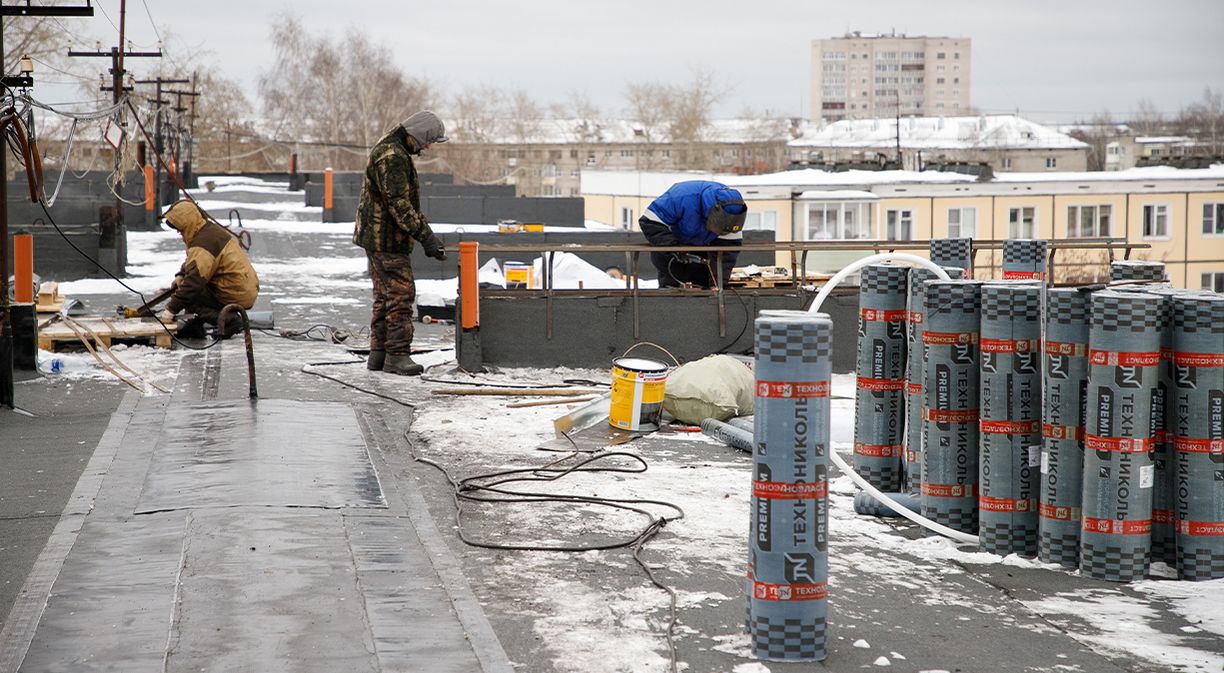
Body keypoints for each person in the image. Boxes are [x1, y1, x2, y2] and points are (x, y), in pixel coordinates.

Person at [353, 110, 448, 376]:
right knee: (400, 296)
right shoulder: (393, 156)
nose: (428, 147)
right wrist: (425, 236)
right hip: (387, 240)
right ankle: (397, 355)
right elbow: (400, 205)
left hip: (378, 237)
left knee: (384, 297)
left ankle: (379, 355)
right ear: (418, 135)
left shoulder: (391, 149)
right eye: (429, 141)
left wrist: (425, 234)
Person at [157, 200, 259, 337]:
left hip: (235, 291)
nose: (178, 232)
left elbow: (194, 281)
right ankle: (194, 326)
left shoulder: (204, 242)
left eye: (178, 227)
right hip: (241, 286)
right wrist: (181, 274)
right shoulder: (206, 231)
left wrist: (171, 309)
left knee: (191, 292)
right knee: (189, 286)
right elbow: (194, 262)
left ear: (186, 223)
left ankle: (228, 321)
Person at [638, 180, 747, 288]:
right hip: (670, 253)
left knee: (704, 293)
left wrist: (719, 284)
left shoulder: (732, 215)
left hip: (702, 255)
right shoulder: (681, 197)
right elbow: (649, 221)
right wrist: (673, 248)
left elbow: (726, 255)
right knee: (671, 292)